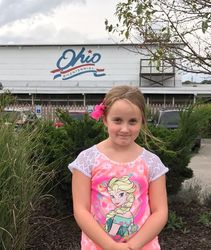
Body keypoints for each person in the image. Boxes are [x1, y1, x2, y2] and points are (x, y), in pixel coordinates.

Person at [68, 85, 169, 250]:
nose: (124, 129)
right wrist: (110, 246)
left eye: (132, 121)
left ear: (142, 122)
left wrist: (132, 246)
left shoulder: (152, 163)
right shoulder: (87, 160)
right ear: (105, 119)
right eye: (117, 120)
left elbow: (160, 212)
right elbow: (81, 210)